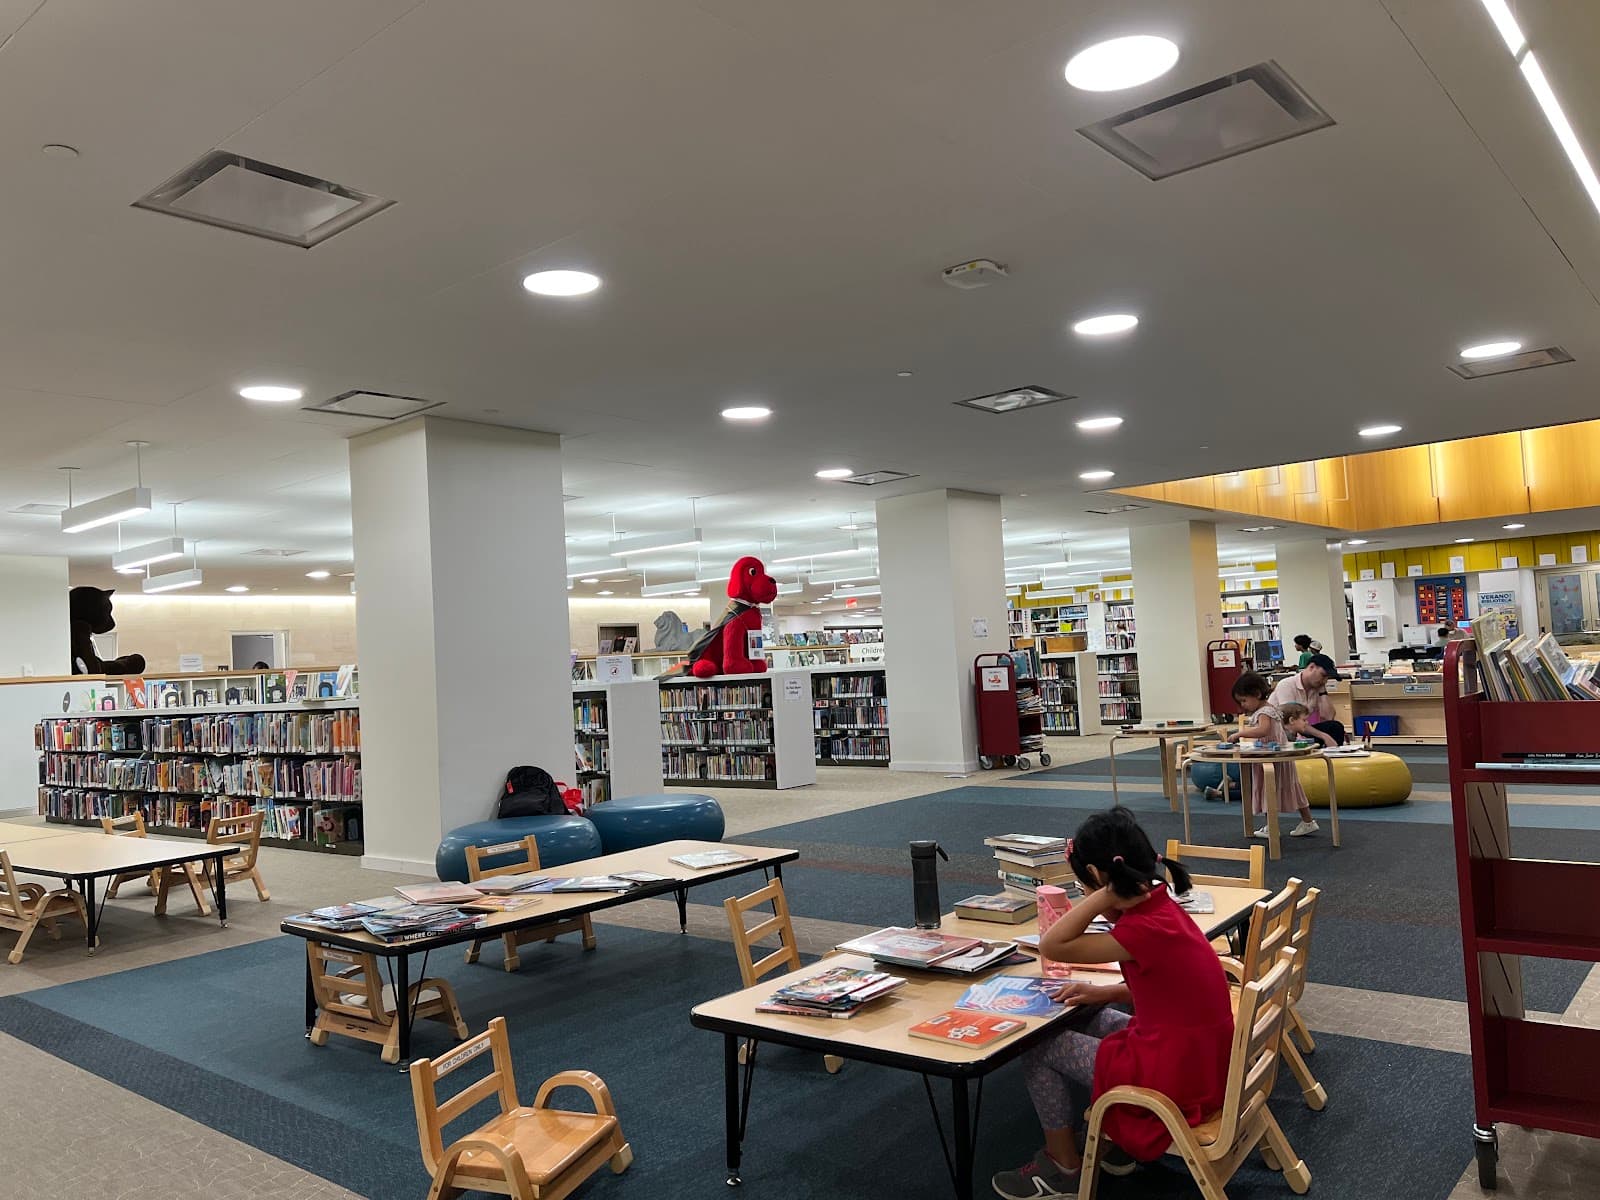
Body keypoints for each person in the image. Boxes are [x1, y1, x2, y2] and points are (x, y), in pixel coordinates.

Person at [992, 807, 1234, 1199]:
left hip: (1175, 1077)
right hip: (1200, 1057)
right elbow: (1172, 987)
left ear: (1100, 877)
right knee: (1095, 1017)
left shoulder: (1141, 928)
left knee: (1038, 1046)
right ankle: (1112, 1141)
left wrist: (1104, 891)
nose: (1084, 897)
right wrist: (1105, 992)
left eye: (1082, 887)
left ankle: (1063, 1166)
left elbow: (1054, 945)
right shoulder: (1162, 906)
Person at [1231, 673, 1319, 839]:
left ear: (1256, 694)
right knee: (1292, 787)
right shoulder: (1271, 708)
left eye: (1244, 700)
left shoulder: (1264, 712)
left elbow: (1263, 730)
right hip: (1279, 757)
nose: (1243, 705)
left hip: (1270, 758)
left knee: (1268, 790)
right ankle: (1308, 821)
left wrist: (1240, 734)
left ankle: (1271, 827)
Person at [1269, 652, 1346, 745]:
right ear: (1311, 667)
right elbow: (1291, 721)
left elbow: (1328, 717)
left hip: (1300, 728)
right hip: (1282, 730)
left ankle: (1333, 755)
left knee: (1335, 727)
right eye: (1323, 675)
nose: (1324, 681)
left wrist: (1322, 691)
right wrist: (1323, 735)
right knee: (1321, 734)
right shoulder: (1287, 685)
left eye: (1327, 678)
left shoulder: (1317, 688)